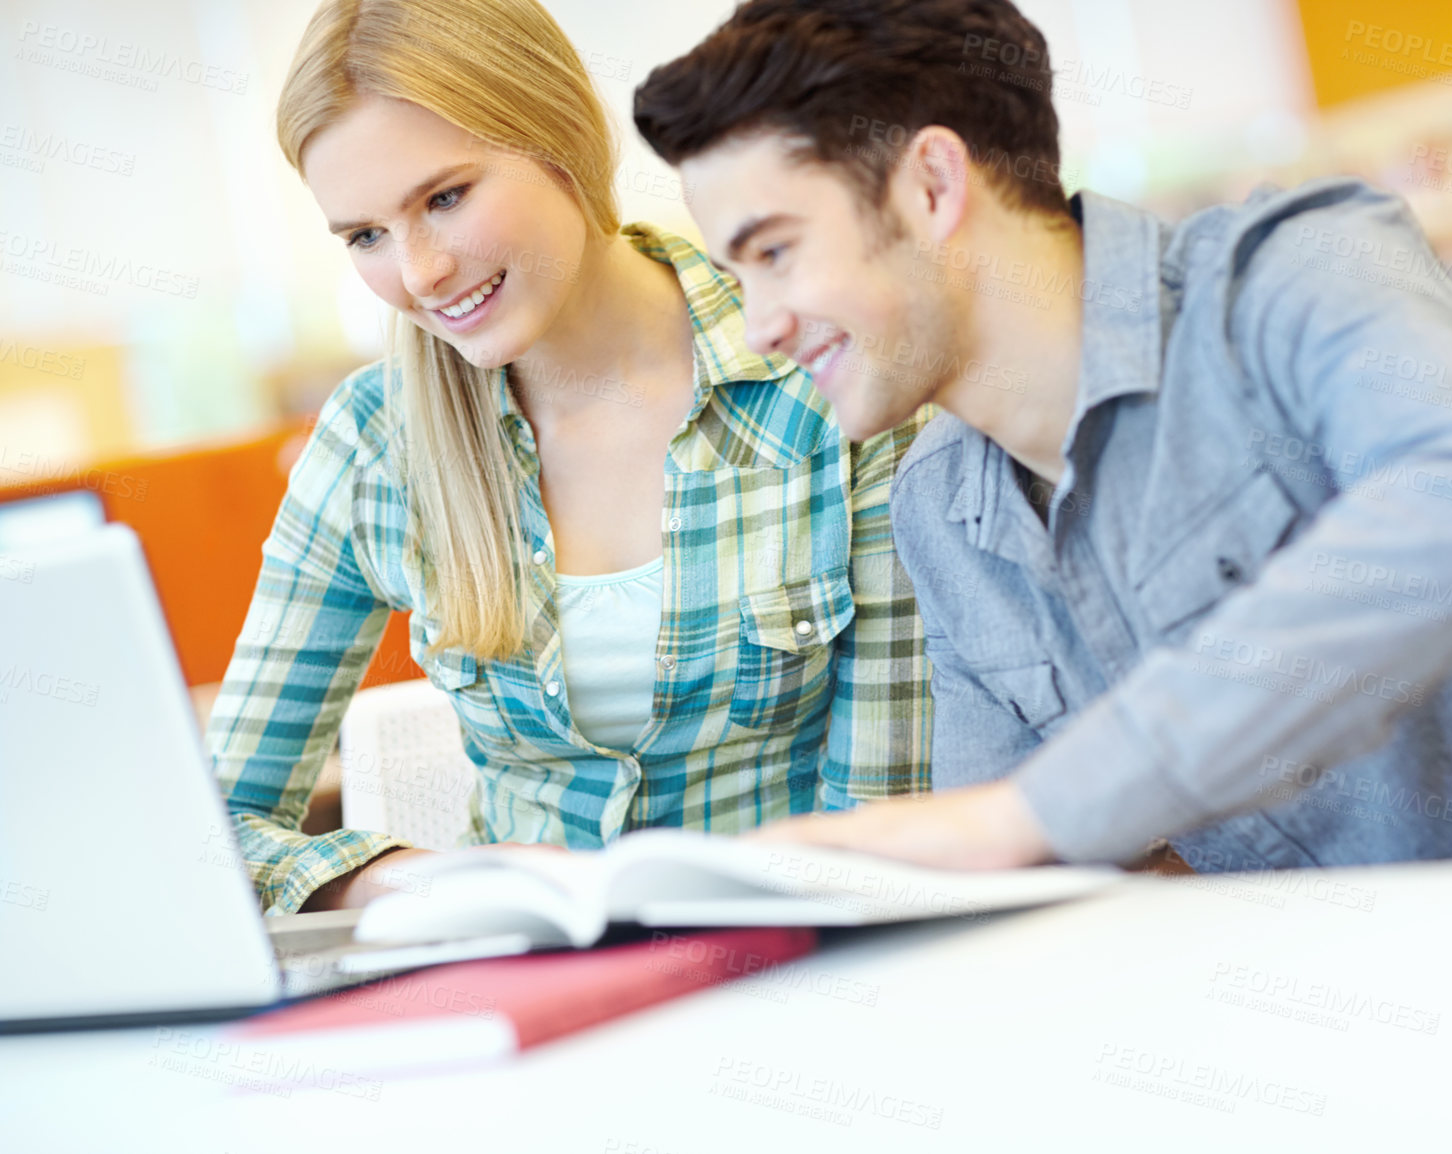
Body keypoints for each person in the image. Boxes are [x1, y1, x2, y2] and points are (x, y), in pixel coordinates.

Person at [631, 0, 1452, 871]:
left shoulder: (1298, 273)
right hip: (1362, 1026)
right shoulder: (940, 505)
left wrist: (1031, 814)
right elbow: (1021, 860)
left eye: (773, 251)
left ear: (929, 183)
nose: (761, 327)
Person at [208, 0, 933, 917]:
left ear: (563, 140)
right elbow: (216, 828)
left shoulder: (817, 371)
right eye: (365, 236)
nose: (420, 273)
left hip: (804, 965)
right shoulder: (371, 442)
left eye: (445, 197)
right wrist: (416, 878)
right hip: (517, 986)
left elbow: (887, 818)